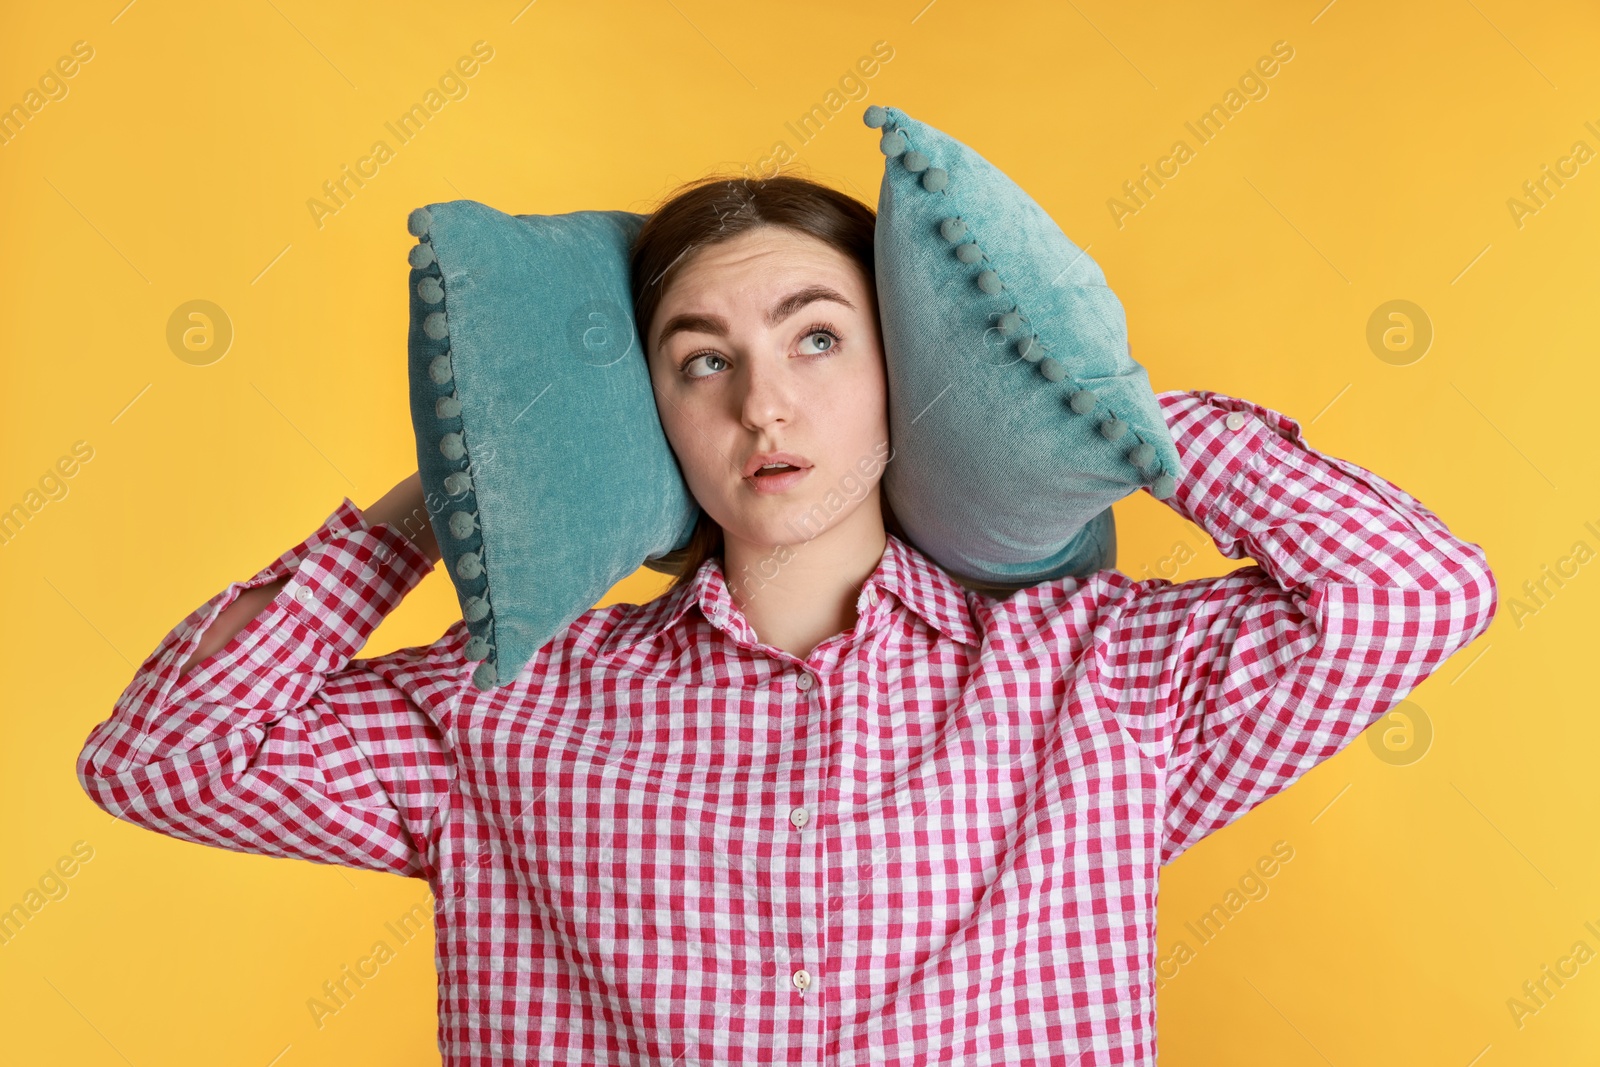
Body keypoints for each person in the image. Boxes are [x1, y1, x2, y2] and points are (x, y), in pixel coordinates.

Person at [75, 174, 1499, 1064]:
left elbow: (1417, 591)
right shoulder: (500, 711)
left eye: (819, 337)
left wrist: (1107, 414)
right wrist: (432, 506)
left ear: (899, 370)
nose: (766, 405)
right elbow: (157, 760)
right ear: (653, 416)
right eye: (703, 363)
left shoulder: (1102, 681)